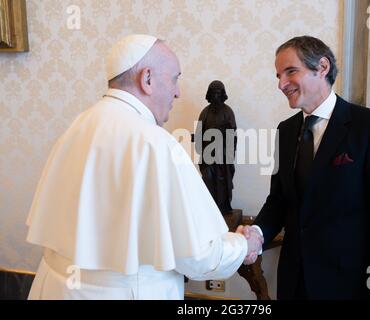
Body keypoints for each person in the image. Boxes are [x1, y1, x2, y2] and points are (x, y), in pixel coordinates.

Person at [26, 34, 263, 300]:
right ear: (147, 79)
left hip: (54, 288)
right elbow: (199, 257)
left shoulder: (79, 125)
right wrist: (244, 244)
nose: (178, 91)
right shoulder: (156, 144)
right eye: (175, 78)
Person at [250, 36, 370, 299]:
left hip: (352, 286)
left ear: (322, 67)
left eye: (291, 71)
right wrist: (256, 234)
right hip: (294, 284)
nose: (281, 84)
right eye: (278, 75)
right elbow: (279, 201)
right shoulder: (285, 131)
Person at [195, 80, 237, 214]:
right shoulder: (205, 113)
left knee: (222, 182)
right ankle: (210, 209)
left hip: (223, 156)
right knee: (208, 180)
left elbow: (232, 133)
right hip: (208, 155)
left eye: (218, 94)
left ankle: (223, 208)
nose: (216, 97)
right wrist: (197, 138)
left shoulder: (228, 111)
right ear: (209, 95)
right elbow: (199, 133)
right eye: (213, 94)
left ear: (223, 94)